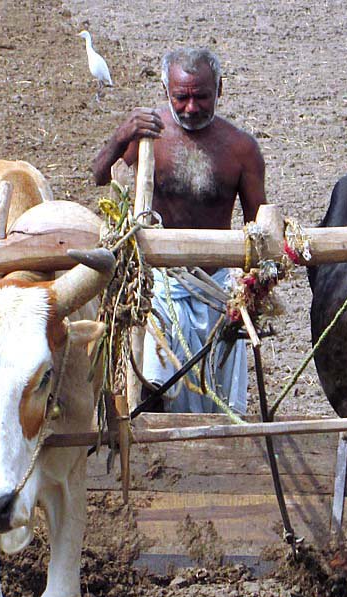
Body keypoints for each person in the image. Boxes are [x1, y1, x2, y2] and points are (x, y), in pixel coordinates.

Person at [92, 47, 267, 414]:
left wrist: (252, 289)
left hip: (216, 288)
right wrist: (121, 134)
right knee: (152, 391)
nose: (190, 108)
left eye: (201, 97)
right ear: (165, 89)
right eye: (181, 97)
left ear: (220, 90)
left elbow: (258, 229)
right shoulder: (146, 135)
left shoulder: (241, 149)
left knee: (218, 403)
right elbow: (98, 175)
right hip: (158, 286)